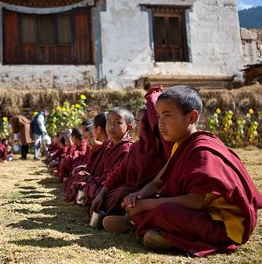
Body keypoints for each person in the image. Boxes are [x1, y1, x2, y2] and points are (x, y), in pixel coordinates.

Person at [120, 85, 262, 256]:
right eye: (158, 117)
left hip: (222, 225)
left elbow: (195, 201)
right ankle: (159, 231)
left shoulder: (202, 150)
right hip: (198, 214)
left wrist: (146, 204)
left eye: (167, 115)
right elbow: (158, 181)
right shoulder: (180, 146)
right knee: (155, 204)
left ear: (192, 117)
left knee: (163, 211)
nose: (160, 123)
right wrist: (138, 197)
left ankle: (160, 232)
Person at [91, 86, 173, 230]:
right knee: (108, 192)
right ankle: (127, 218)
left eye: (139, 121)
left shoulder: (161, 149)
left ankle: (131, 220)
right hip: (130, 195)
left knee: (124, 194)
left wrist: (138, 194)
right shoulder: (136, 147)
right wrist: (102, 192)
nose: (137, 125)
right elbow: (119, 172)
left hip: (145, 195)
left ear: (149, 123)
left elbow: (160, 184)